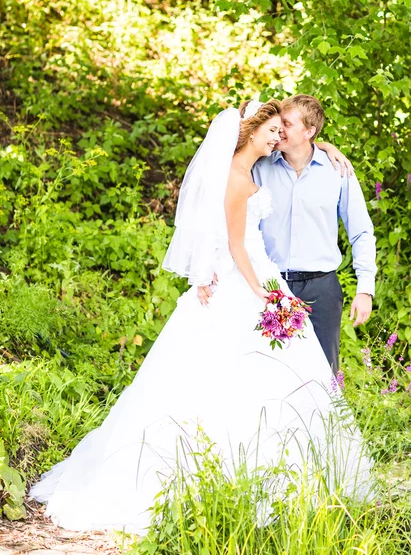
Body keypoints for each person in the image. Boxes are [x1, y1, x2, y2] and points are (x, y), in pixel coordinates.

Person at [29, 100, 373, 536]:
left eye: (285, 129)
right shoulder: (252, 167)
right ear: (255, 131)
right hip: (258, 281)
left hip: (304, 283)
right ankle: (235, 481)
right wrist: (244, 287)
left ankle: (309, 483)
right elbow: (232, 239)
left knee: (307, 380)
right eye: (274, 129)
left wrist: (325, 146)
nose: (278, 136)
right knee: (227, 380)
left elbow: (344, 221)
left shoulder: (314, 166)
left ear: (307, 132)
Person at [199, 95, 376, 373]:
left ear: (309, 132)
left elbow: (362, 231)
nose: (279, 130)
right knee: (269, 374)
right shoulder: (259, 165)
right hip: (270, 285)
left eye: (287, 124)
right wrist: (208, 265)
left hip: (321, 289)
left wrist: (365, 288)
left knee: (322, 376)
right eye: (277, 124)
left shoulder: (337, 170)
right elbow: (226, 218)